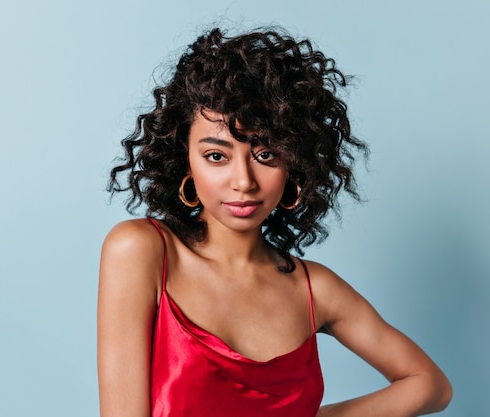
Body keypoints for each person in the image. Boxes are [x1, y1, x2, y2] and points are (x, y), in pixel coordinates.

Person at [97, 26, 452, 417]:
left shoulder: (315, 290)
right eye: (217, 156)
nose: (244, 182)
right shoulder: (141, 251)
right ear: (185, 161)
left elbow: (431, 386)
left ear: (294, 163)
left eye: (266, 155)